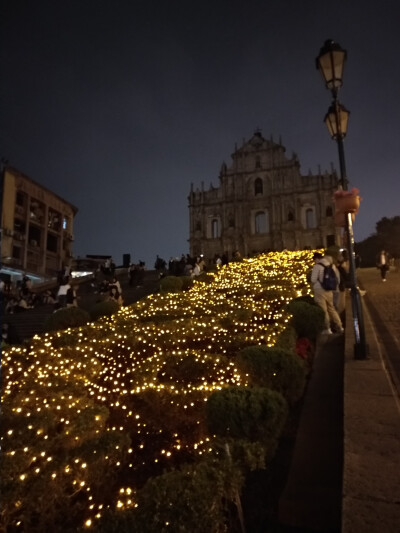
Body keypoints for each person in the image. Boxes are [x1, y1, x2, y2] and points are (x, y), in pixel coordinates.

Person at [310, 252, 344, 335]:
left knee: (323, 310)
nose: (314, 261)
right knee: (331, 309)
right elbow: (336, 278)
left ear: (317, 259)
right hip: (329, 290)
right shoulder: (331, 265)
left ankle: (327, 328)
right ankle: (339, 326)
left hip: (319, 290)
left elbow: (313, 280)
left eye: (314, 260)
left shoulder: (317, 266)